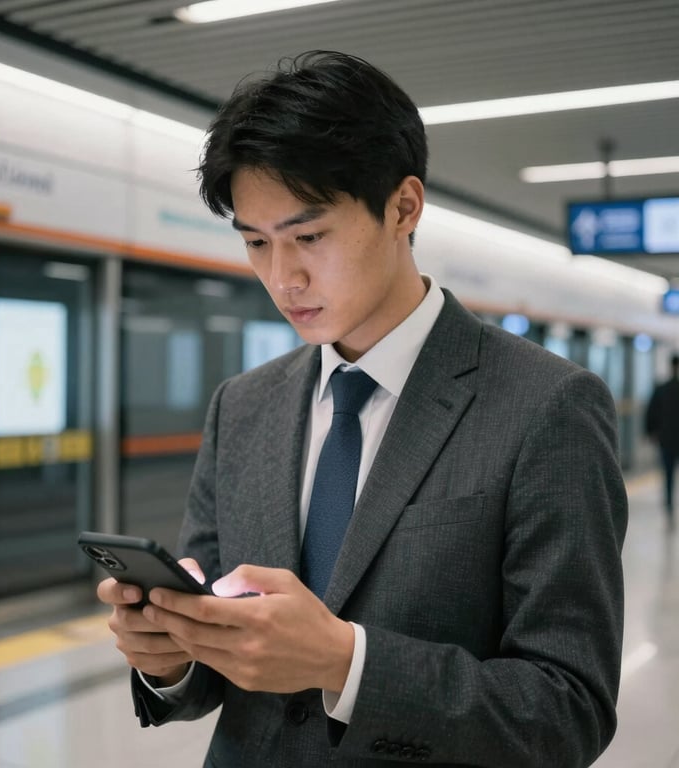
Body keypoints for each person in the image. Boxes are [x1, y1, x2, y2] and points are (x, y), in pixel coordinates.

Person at [97, 51, 627, 767]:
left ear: (404, 207)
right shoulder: (243, 407)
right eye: (256, 243)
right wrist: (171, 658)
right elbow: (222, 655)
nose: (283, 278)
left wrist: (346, 663)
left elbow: (568, 709)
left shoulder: (545, 406)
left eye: (309, 237)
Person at [646, 353, 679, 529]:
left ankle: (669, 507)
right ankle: (669, 506)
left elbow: (651, 411)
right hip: (672, 439)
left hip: (666, 440)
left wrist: (651, 432)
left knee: (668, 475)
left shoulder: (661, 389)